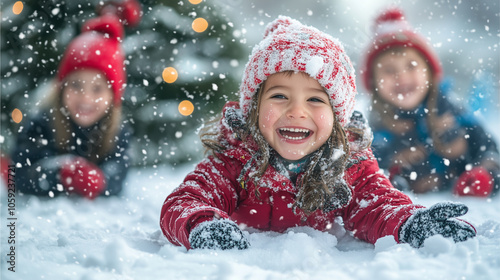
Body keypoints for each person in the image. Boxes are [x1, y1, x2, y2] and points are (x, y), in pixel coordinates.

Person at [159, 16, 476, 250]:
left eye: (314, 99)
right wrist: (201, 224)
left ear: (338, 117)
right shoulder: (235, 159)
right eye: (280, 96)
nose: (297, 111)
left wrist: (408, 222)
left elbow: (375, 202)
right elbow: (186, 200)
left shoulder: (346, 163)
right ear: (253, 108)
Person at [360, 7, 500, 196]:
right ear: (374, 84)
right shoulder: (373, 131)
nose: (401, 76)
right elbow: (365, 179)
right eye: (389, 70)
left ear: (429, 74)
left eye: (411, 66)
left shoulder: (450, 110)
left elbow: (488, 148)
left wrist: (485, 173)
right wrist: (394, 168)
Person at [11, 0, 141, 199]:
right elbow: (20, 176)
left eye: (98, 89)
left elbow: (118, 174)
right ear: (61, 88)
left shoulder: (117, 132)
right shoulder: (42, 123)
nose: (86, 97)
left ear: (113, 97)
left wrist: (100, 181)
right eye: (76, 85)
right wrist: (59, 175)